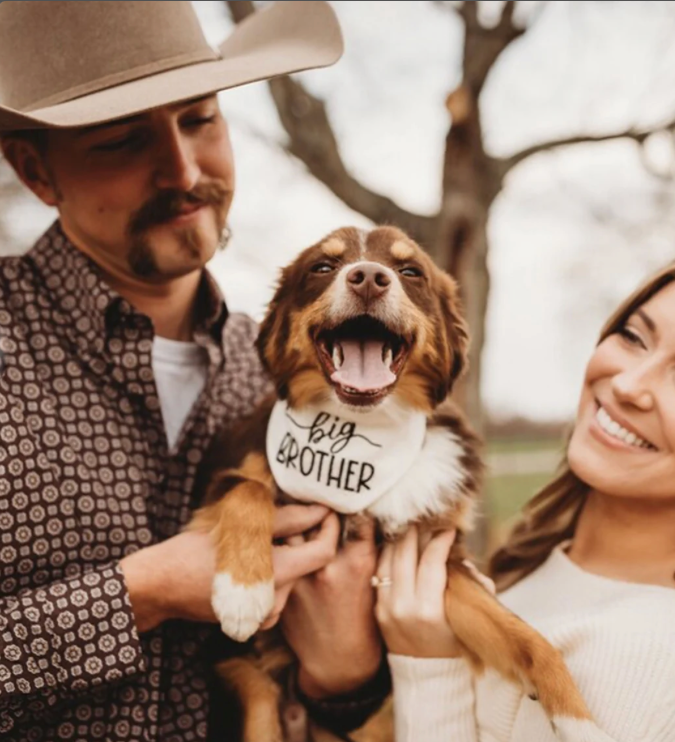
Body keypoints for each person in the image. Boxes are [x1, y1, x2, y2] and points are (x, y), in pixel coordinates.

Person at [0, 2, 386, 740]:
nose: (183, 169)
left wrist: (344, 677)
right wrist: (137, 596)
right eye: (121, 141)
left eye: (200, 119)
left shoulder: (293, 377)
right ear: (35, 170)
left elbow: (336, 692)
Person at [375, 245, 675, 741]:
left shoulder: (671, 660)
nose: (630, 384)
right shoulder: (539, 554)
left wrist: (429, 671)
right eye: (634, 337)